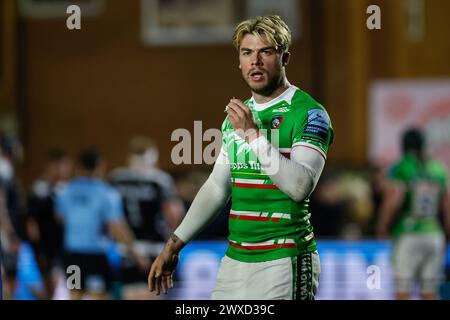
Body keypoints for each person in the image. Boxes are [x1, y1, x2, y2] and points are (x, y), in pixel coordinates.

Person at [148, 15, 334, 300]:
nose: (255, 61)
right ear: (239, 61)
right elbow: (217, 187)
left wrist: (253, 136)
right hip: (235, 261)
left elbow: (300, 187)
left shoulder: (309, 113)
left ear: (285, 58)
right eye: (247, 53)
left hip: (285, 259)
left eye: (266, 52)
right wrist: (174, 244)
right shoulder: (237, 116)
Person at [56, 149, 148, 299]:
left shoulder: (66, 190)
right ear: (100, 166)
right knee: (99, 295)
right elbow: (116, 226)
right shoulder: (107, 193)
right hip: (95, 255)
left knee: (75, 293)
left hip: (72, 254)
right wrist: (135, 252)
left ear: (79, 167)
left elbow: (60, 217)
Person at [376, 128, 450, 300]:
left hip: (409, 231)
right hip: (434, 233)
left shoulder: (401, 167)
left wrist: (382, 226)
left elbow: (393, 200)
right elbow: (447, 205)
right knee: (429, 289)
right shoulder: (438, 168)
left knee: (403, 287)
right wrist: (446, 232)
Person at [109, 136, 184, 299]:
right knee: (153, 292)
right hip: (154, 248)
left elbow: (112, 218)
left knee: (130, 292)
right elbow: (172, 215)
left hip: (126, 249)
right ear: (152, 155)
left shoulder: (117, 178)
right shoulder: (160, 180)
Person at [26, 149, 73, 299]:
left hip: (71, 247)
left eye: (65, 166)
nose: (61, 170)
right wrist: (37, 247)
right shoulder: (39, 189)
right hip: (48, 246)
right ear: (49, 167)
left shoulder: (70, 190)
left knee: (74, 282)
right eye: (57, 166)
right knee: (52, 281)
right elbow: (31, 220)